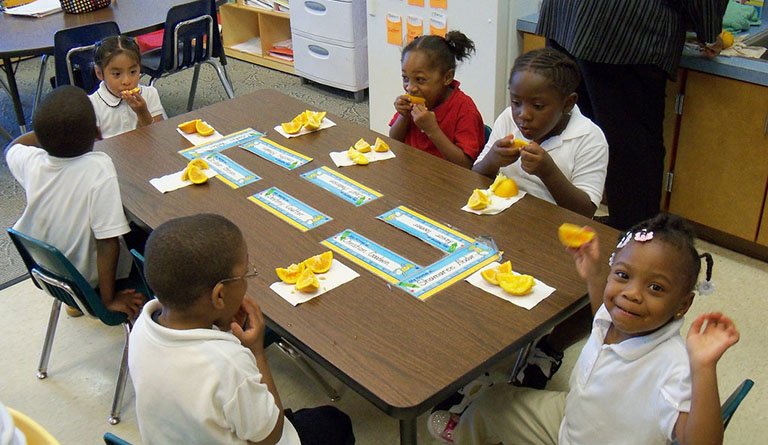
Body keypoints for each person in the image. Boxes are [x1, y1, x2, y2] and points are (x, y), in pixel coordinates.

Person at [428, 213, 740, 444]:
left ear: (683, 305)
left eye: (656, 287)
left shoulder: (675, 367)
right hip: (573, 418)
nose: (631, 293)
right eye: (622, 275)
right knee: (490, 404)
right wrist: (594, 274)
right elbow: (603, 315)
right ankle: (467, 435)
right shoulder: (617, 317)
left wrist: (703, 368)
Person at [129, 213, 355, 445]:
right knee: (334, 422)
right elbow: (270, 436)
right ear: (219, 295)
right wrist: (256, 352)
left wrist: (221, 320)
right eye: (245, 274)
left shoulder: (143, 324)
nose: (247, 280)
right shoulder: (227, 363)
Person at [536, 0, 728, 230]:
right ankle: (635, 239)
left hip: (565, 15)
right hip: (625, 30)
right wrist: (709, 31)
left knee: (576, 128)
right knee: (632, 149)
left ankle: (563, 228)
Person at [5, 85, 146, 318]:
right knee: (143, 233)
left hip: (48, 269)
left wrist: (47, 132)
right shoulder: (99, 168)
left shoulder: (33, 161)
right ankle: (101, 296)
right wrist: (107, 300)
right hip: (87, 281)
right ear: (96, 132)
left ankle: (74, 303)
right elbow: (107, 241)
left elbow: (13, 146)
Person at [473, 48, 608, 218]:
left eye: (538, 106)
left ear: (568, 103)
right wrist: (492, 160)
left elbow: (585, 211)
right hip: (505, 217)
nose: (523, 114)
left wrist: (548, 172)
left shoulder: (589, 138)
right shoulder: (508, 118)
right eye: (516, 102)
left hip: (552, 227)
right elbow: (475, 174)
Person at [389, 31, 485, 168]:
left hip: (447, 182)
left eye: (420, 80)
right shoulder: (414, 101)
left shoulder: (465, 109)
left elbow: (467, 165)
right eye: (405, 78)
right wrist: (403, 117)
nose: (410, 88)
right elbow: (394, 139)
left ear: (447, 77)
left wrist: (432, 130)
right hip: (412, 172)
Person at [89, 35, 166, 139]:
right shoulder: (92, 105)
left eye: (133, 72)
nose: (126, 81)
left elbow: (159, 136)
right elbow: (94, 147)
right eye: (116, 74)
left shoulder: (150, 94)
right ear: (99, 73)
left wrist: (143, 113)